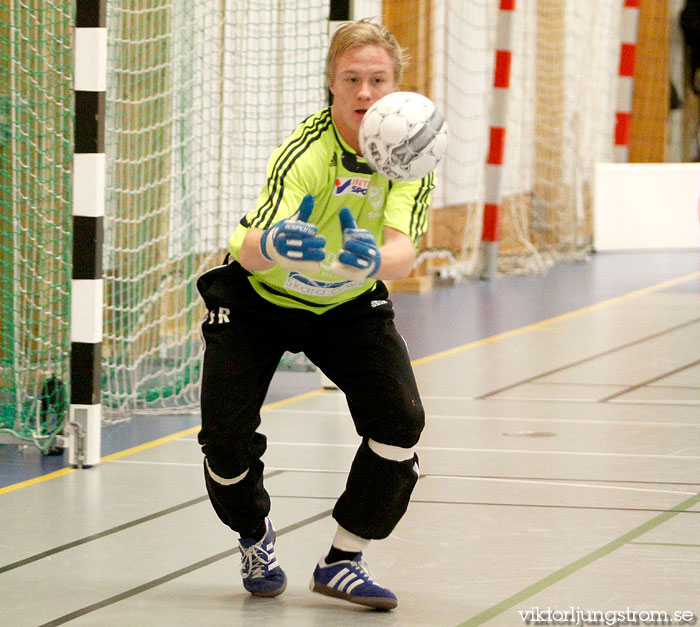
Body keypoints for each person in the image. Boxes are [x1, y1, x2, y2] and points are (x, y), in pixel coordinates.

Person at [196, 18, 434, 611]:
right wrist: (276, 246)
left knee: (400, 422)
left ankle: (344, 559)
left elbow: (405, 251)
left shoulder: (410, 152)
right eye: (351, 79)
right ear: (331, 85)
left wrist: (376, 257)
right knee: (224, 441)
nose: (364, 93)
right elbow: (248, 244)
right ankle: (254, 537)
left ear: (395, 86)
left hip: (346, 303)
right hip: (260, 301)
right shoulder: (307, 150)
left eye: (377, 79)